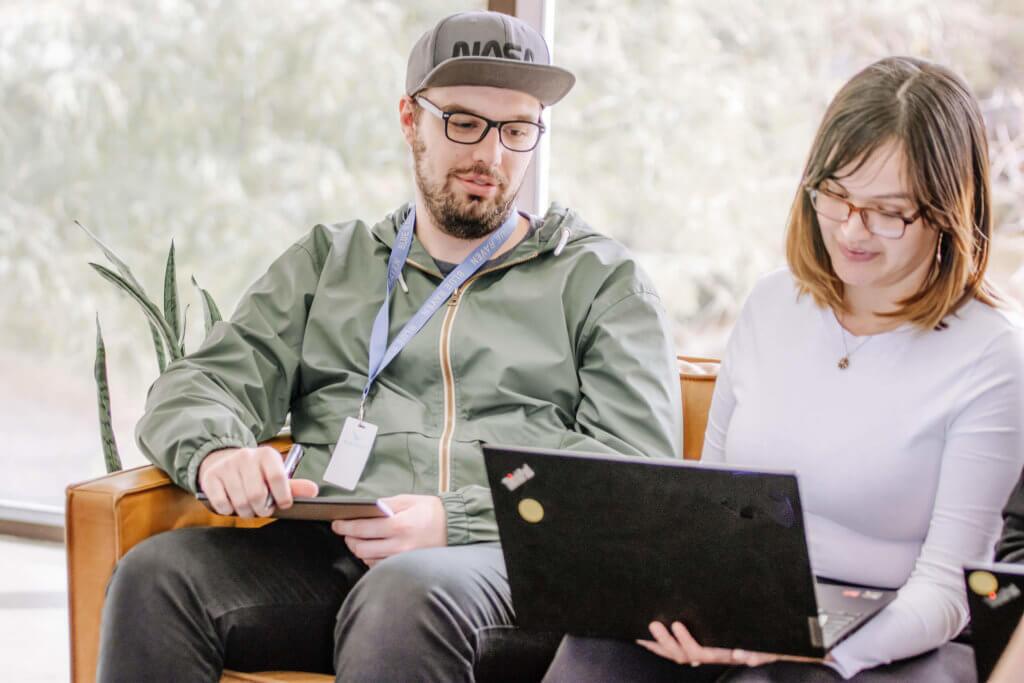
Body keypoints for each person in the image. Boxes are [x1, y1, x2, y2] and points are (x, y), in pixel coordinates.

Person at [96, 10, 683, 682]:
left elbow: (635, 480)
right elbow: (198, 385)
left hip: (504, 569)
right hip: (328, 557)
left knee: (405, 593)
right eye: (463, 123)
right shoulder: (330, 263)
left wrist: (452, 518)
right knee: (157, 576)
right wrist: (217, 452)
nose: (491, 156)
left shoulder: (601, 281)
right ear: (410, 119)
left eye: (517, 130)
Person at [542, 56, 1024, 682]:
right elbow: (707, 508)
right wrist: (688, 605)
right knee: (594, 655)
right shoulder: (773, 303)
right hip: (743, 606)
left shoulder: (992, 354)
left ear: (948, 212)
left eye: (889, 212)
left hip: (892, 635)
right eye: (837, 196)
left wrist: (812, 649)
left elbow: (946, 592)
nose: (853, 229)